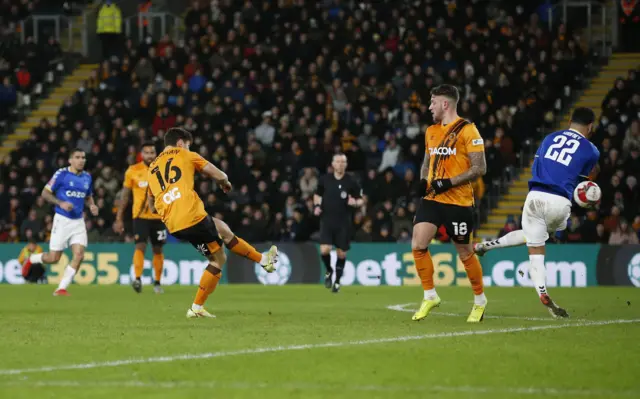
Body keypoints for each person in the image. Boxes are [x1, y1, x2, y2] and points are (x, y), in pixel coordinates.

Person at [474, 107, 600, 318]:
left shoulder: (550, 138)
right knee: (535, 236)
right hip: (560, 202)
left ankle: (541, 291)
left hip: (536, 195)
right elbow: (585, 179)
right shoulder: (592, 150)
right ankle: (485, 246)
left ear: (569, 120)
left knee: (534, 243)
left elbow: (538, 164)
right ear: (590, 127)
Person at [147, 127, 278, 318]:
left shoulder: (152, 168)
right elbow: (219, 174)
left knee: (223, 229)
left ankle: (263, 260)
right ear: (181, 143)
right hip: (192, 216)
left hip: (174, 224)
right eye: (188, 145)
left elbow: (151, 206)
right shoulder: (185, 154)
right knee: (218, 259)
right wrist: (224, 184)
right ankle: (196, 308)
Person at [411, 84, 487, 323]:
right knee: (418, 243)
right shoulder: (430, 131)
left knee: (465, 252)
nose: (429, 107)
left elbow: (480, 168)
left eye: (433, 102)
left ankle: (479, 300)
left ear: (445, 104)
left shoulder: (468, 131)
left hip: (459, 201)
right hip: (433, 198)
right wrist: (424, 182)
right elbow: (427, 161)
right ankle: (430, 295)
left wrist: (449, 182)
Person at [21, 149, 100, 296]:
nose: (81, 160)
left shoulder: (87, 177)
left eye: (83, 157)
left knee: (79, 255)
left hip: (78, 222)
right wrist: (60, 203)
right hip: (62, 220)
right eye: (77, 157)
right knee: (54, 258)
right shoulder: (61, 174)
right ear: (70, 160)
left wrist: (92, 206)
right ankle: (32, 259)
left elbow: (88, 196)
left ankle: (61, 288)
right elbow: (45, 193)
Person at [114, 142, 167, 294]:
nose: (150, 156)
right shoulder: (133, 170)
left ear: (156, 154)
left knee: (158, 249)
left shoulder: (163, 170)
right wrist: (119, 217)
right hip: (140, 217)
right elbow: (125, 196)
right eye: (147, 153)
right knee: (140, 246)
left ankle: (157, 282)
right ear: (141, 155)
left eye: (152, 152)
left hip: (159, 217)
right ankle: (137, 279)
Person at [313, 153, 364, 293]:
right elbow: (317, 195)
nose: (340, 164)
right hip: (327, 220)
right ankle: (329, 270)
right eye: (338, 161)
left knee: (341, 253)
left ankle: (337, 281)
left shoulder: (351, 181)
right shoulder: (325, 180)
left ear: (346, 165)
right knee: (324, 249)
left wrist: (355, 202)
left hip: (343, 222)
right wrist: (317, 206)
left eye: (343, 162)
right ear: (333, 164)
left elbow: (361, 199)